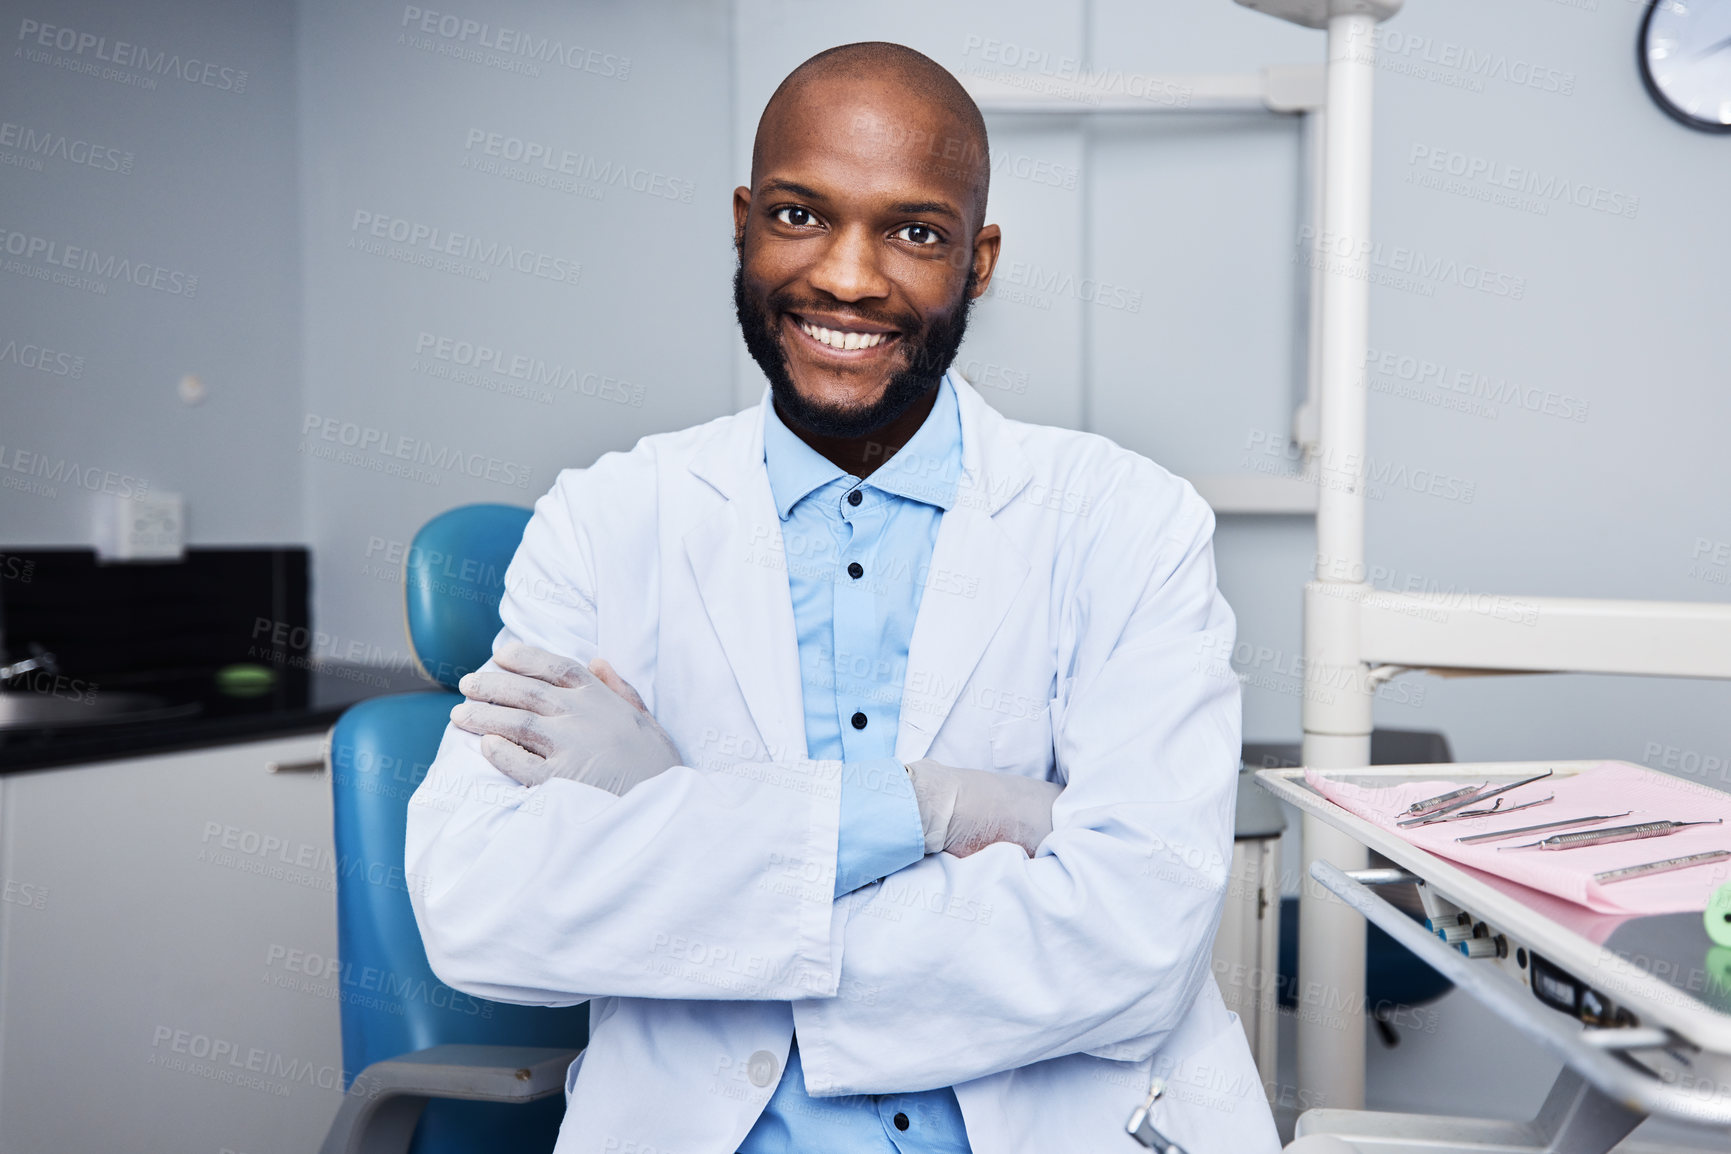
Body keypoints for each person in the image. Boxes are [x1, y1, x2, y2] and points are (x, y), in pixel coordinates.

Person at [407, 41, 1281, 1154]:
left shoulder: (1127, 519)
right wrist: (926, 807)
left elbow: (1136, 937)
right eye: (800, 214)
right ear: (742, 221)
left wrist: (692, 818)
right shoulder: (607, 517)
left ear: (979, 261)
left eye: (915, 231)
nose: (850, 277)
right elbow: (481, 904)